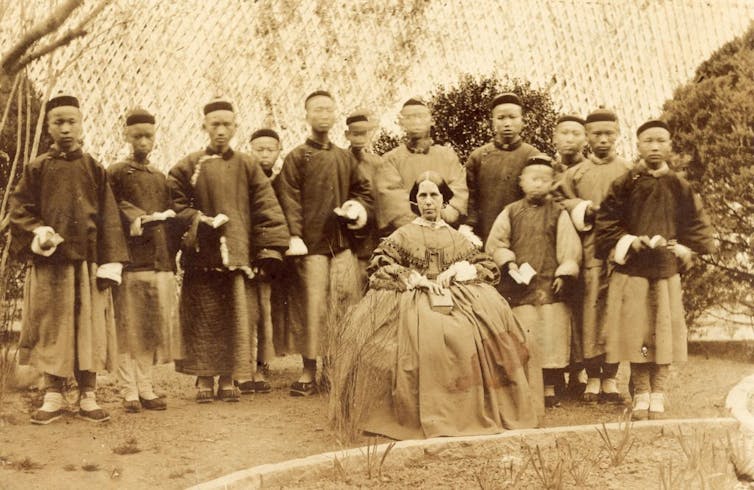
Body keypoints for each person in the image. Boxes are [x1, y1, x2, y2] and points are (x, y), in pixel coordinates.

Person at [329, 171, 537, 440]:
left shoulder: (458, 238)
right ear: (415, 201)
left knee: (467, 336)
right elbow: (380, 265)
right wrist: (415, 280)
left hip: (456, 298)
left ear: (444, 200)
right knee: (401, 346)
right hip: (408, 297)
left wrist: (457, 271)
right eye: (422, 196)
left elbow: (485, 266)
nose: (428, 202)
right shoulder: (402, 235)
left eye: (434, 195)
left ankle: (462, 412)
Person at [9, 93, 128, 424]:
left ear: (81, 124)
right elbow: (20, 211)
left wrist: (110, 264)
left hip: (86, 265)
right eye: (58, 122)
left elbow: (109, 218)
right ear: (48, 127)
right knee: (53, 328)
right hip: (51, 265)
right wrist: (39, 232)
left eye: (71, 121)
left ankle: (87, 394)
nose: (65, 128)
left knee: (87, 328)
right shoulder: (36, 169)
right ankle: (54, 394)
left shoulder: (94, 169)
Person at [168, 98, 290, 403]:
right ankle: (204, 379)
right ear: (204, 127)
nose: (221, 131)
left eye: (227, 125)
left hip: (238, 255)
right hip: (202, 256)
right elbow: (174, 201)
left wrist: (267, 251)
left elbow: (266, 206)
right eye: (215, 125)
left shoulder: (248, 165)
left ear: (235, 127)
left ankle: (227, 378)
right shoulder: (189, 165)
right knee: (204, 317)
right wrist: (197, 220)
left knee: (234, 318)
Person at [595, 120, 714, 420]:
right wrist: (629, 240)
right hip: (633, 273)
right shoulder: (625, 183)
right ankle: (642, 394)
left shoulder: (679, 185)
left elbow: (696, 224)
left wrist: (686, 248)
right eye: (648, 141)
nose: (655, 147)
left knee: (662, 335)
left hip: (664, 272)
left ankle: (658, 393)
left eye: (661, 141)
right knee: (638, 336)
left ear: (670, 145)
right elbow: (607, 221)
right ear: (638, 145)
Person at [275, 90, 373, 396]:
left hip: (341, 244)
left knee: (343, 304)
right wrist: (295, 235)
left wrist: (355, 209)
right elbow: (288, 198)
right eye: (317, 110)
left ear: (334, 116)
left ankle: (335, 369)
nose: (324, 115)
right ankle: (308, 371)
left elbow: (363, 190)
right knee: (312, 308)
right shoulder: (296, 157)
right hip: (311, 246)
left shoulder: (344, 157)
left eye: (329, 110)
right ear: (307, 116)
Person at [486, 155, 582, 409]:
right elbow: (496, 243)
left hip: (550, 283)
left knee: (551, 334)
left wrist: (564, 272)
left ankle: (550, 386)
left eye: (544, 180)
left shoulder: (558, 213)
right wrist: (508, 262)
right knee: (526, 333)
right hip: (521, 284)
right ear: (522, 182)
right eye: (533, 179)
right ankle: (528, 385)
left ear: (552, 183)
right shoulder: (511, 212)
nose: (538, 184)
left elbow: (568, 246)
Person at [557, 107, 631, 404]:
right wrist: (584, 208)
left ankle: (611, 376)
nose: (602, 140)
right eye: (596, 134)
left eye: (608, 134)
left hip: (619, 253)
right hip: (588, 252)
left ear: (617, 134)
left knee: (615, 312)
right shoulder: (575, 173)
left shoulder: (628, 171)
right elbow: (559, 201)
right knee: (589, 312)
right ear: (587, 137)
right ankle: (593, 376)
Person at [107, 108, 179, 412]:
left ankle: (146, 386)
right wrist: (140, 219)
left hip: (156, 261)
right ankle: (128, 390)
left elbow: (169, 214)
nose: (143, 141)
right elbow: (111, 207)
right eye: (137, 135)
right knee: (128, 326)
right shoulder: (116, 172)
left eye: (149, 135)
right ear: (126, 136)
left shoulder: (159, 177)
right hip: (130, 261)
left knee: (149, 327)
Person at [231, 128, 286, 395]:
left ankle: (262, 364)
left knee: (265, 309)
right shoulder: (241, 177)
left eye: (270, 149)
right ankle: (241, 366)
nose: (264, 154)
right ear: (249, 149)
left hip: (271, 253)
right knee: (244, 309)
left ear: (278, 152)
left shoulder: (281, 180)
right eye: (259, 149)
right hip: (245, 251)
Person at [376, 98, 467, 233]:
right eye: (409, 117)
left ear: (431, 120)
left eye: (421, 116)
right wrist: (422, 224)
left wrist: (440, 215)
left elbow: (457, 192)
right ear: (401, 123)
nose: (416, 122)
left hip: (445, 231)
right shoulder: (391, 159)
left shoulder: (447, 156)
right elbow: (393, 200)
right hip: (408, 234)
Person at [463, 93, 540, 244]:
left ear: (522, 121)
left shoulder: (532, 156)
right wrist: (470, 226)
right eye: (501, 118)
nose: (507, 123)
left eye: (512, 117)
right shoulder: (478, 157)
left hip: (522, 234)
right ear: (492, 123)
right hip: (485, 232)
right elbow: (470, 197)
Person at [551, 113, 589, 397]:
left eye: (576, 133)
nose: (570, 139)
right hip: (554, 245)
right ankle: (557, 370)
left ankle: (579, 369)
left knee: (580, 307)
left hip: (586, 244)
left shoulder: (589, 170)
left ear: (585, 138)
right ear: (555, 137)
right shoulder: (545, 169)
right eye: (564, 133)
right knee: (558, 308)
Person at [344, 108, 383, 289]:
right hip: (348, 234)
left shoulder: (377, 163)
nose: (360, 138)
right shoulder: (340, 161)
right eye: (355, 134)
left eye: (364, 134)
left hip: (373, 233)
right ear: (347, 135)